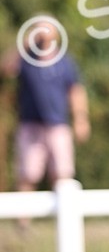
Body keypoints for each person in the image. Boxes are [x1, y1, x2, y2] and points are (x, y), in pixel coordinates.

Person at [2, 20, 90, 210]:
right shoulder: (25, 59)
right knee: (27, 174)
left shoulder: (65, 61)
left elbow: (75, 91)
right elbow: (6, 69)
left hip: (58, 125)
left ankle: (65, 217)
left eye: (46, 28)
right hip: (30, 125)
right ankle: (23, 220)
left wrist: (81, 119)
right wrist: (25, 43)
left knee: (63, 173)